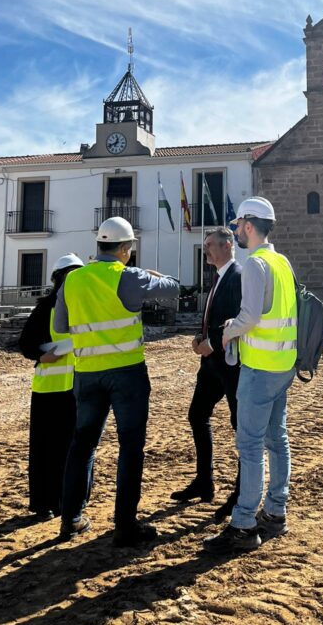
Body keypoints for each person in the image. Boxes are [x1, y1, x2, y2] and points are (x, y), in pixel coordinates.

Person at [55, 217, 179, 546]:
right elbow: (174, 288)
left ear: (98, 246)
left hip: (86, 375)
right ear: (124, 249)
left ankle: (70, 520)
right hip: (127, 374)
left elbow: (61, 325)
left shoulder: (73, 280)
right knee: (130, 447)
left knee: (82, 446)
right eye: (130, 250)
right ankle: (125, 525)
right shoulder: (130, 277)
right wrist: (153, 276)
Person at [204, 197, 297, 555]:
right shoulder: (281, 261)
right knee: (277, 438)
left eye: (236, 225)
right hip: (283, 365)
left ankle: (243, 524)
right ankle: (275, 512)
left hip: (259, 368)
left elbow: (251, 317)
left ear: (247, 224)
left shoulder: (257, 264)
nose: (235, 231)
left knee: (250, 445)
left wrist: (227, 331)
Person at [171, 227, 243, 521]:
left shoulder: (237, 276)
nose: (206, 250)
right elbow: (214, 315)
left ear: (227, 246)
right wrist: (199, 338)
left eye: (210, 244)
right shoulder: (218, 277)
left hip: (231, 365)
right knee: (196, 415)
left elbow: (236, 319)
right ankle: (204, 481)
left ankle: (241, 494)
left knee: (242, 430)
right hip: (211, 365)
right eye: (204, 245)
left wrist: (210, 342)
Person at [18, 253, 84, 520]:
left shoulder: (85, 307)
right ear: (58, 280)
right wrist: (41, 355)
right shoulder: (45, 308)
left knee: (71, 450)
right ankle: (44, 503)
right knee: (45, 450)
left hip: (76, 389)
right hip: (48, 390)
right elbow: (25, 343)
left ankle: (65, 504)